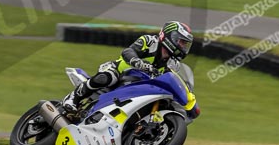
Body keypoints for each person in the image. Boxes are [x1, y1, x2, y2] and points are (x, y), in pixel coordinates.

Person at [62, 20, 200, 118]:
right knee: (107, 77)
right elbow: (128, 52)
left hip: (141, 84)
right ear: (170, 37)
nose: (183, 46)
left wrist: (187, 95)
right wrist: (139, 63)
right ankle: (74, 97)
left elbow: (171, 79)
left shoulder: (173, 64)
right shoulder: (150, 41)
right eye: (181, 41)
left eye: (185, 44)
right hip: (120, 71)